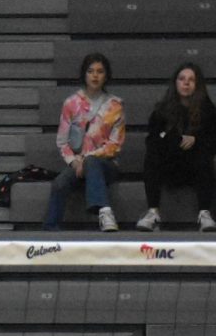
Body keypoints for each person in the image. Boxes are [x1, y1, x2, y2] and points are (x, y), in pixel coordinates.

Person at [43, 52, 125, 232]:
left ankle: (104, 212)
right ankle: (50, 228)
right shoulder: (71, 103)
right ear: (84, 74)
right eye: (90, 71)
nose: (95, 75)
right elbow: (63, 141)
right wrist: (74, 162)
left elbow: (115, 144)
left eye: (100, 71)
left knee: (93, 162)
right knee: (59, 183)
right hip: (77, 164)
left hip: (106, 164)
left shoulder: (115, 106)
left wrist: (87, 158)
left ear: (106, 75)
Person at [136, 61, 216, 232]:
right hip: (170, 164)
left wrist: (196, 140)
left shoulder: (208, 111)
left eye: (191, 80)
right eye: (182, 79)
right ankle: (153, 212)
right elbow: (153, 140)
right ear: (175, 83)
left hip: (195, 166)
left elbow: (213, 140)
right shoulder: (161, 111)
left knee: (205, 156)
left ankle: (204, 213)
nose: (186, 83)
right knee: (152, 155)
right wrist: (174, 139)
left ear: (197, 85)